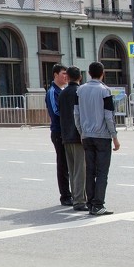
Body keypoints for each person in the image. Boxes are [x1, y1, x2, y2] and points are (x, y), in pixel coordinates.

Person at [74, 62, 121, 216]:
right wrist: (114, 137)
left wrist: (81, 132)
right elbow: (109, 116)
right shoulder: (105, 91)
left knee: (90, 171)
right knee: (102, 172)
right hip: (102, 136)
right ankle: (98, 204)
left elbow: (77, 114)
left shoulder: (80, 90)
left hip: (86, 135)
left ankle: (90, 203)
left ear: (89, 73)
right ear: (102, 73)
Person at [56, 66, 87, 211]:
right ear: (80, 77)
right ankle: (80, 200)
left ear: (67, 77)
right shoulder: (80, 92)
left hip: (66, 135)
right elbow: (81, 115)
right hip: (78, 136)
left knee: (73, 169)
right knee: (80, 170)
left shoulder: (62, 93)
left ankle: (76, 197)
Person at [45, 65, 72, 206]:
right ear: (55, 75)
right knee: (63, 164)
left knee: (70, 163)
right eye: (63, 74)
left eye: (67, 74)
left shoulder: (64, 90)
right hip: (58, 131)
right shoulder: (52, 92)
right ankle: (65, 195)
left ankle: (72, 193)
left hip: (67, 131)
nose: (65, 76)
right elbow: (55, 111)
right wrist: (71, 117)